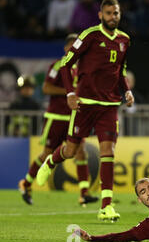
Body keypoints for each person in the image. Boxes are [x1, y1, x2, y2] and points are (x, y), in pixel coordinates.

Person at [36, 0, 135, 222]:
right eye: (109, 13)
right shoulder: (90, 35)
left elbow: (120, 70)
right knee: (70, 151)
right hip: (85, 104)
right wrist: (70, 93)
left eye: (116, 13)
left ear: (120, 15)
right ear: (101, 15)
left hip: (109, 106)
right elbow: (66, 64)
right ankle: (50, 162)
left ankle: (106, 206)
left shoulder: (124, 40)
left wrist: (126, 91)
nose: (113, 17)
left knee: (108, 152)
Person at [18, 34, 98, 206]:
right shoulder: (58, 65)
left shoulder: (83, 67)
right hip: (56, 117)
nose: (73, 48)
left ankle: (84, 193)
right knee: (47, 153)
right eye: (71, 45)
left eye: (76, 45)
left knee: (81, 151)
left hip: (75, 117)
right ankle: (26, 184)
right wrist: (70, 92)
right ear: (65, 48)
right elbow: (46, 87)